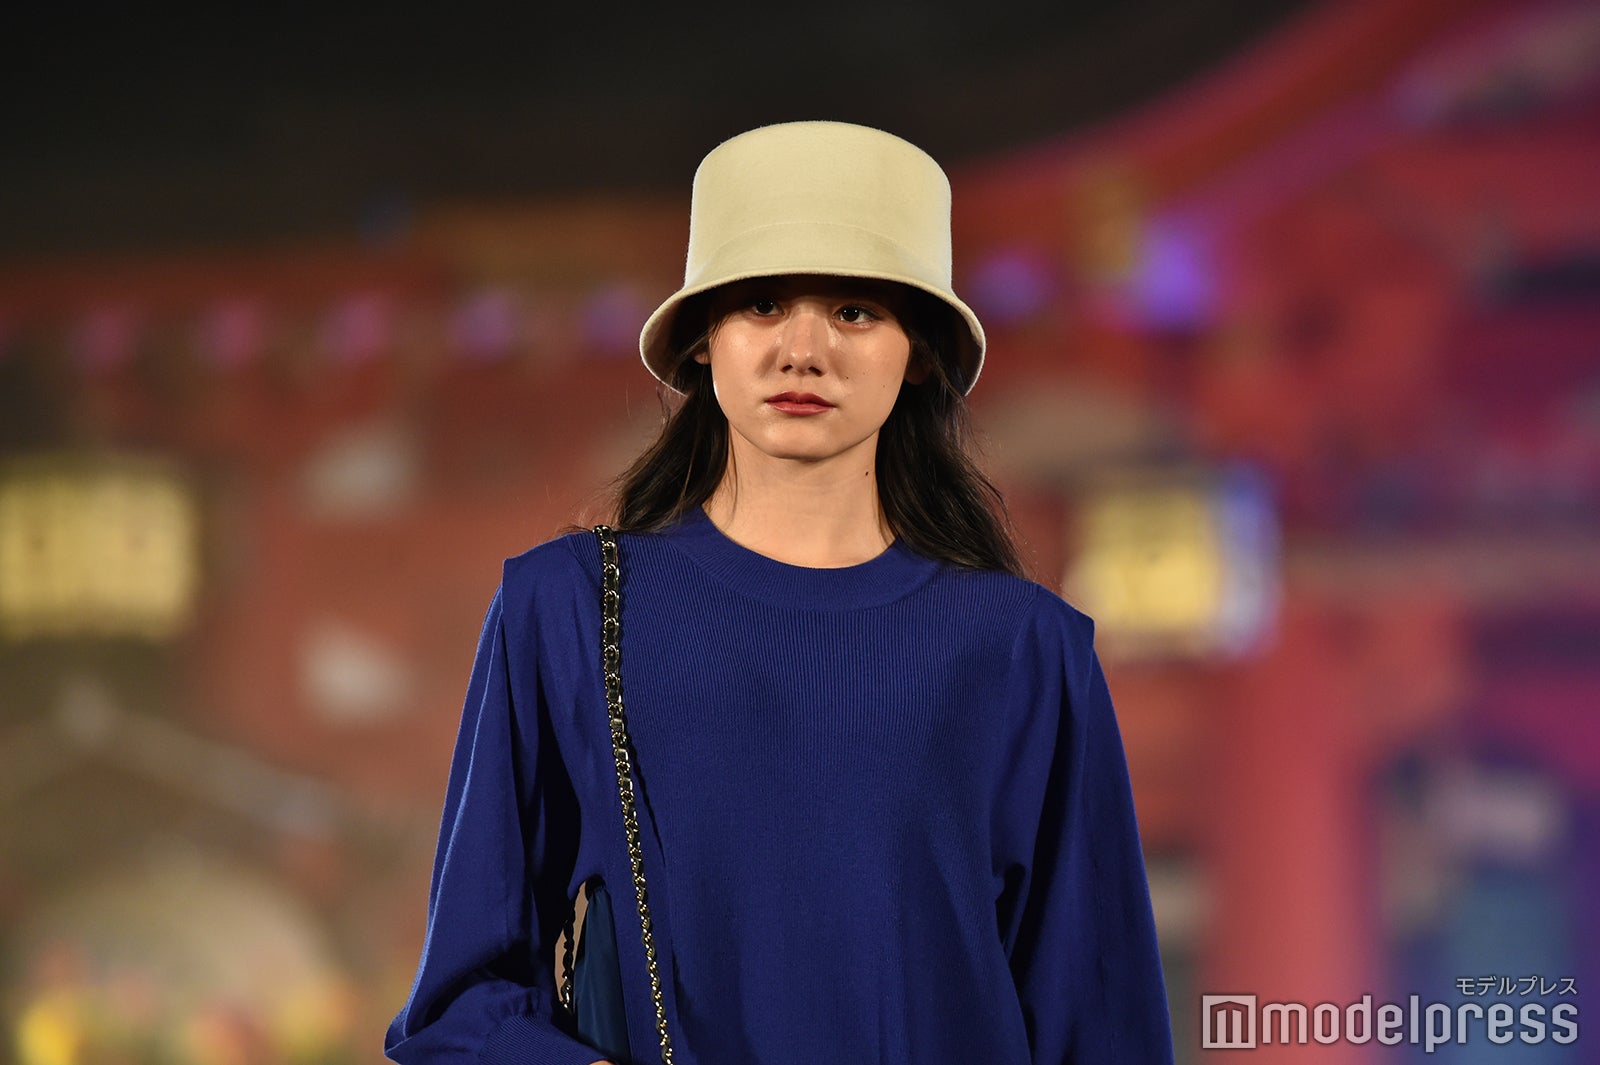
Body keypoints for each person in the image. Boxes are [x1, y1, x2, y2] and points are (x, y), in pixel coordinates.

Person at [384, 120, 1174, 1065]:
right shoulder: (568, 609)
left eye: (855, 312)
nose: (803, 350)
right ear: (703, 339)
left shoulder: (1027, 650)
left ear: (920, 353)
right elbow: (458, 1003)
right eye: (761, 304)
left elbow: (1103, 1028)